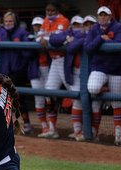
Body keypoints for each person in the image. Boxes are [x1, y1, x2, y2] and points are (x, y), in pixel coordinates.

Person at [84, 6, 121, 145]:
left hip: (117, 68)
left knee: (116, 102)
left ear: (110, 16)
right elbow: (87, 48)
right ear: (98, 16)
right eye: (100, 15)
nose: (103, 17)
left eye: (105, 15)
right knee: (93, 89)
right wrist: (101, 39)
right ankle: (94, 134)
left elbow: (118, 44)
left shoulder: (118, 26)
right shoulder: (94, 29)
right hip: (99, 66)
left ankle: (119, 135)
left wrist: (102, 42)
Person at [49, 15, 89, 141]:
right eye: (75, 24)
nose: (78, 27)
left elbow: (73, 46)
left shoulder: (87, 33)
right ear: (71, 25)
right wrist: (67, 38)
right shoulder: (68, 32)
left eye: (80, 24)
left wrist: (75, 39)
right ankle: (55, 129)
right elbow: (53, 38)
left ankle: (84, 131)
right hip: (71, 70)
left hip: (85, 70)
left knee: (82, 98)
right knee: (50, 93)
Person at [38, 0, 70, 139]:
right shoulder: (45, 21)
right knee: (49, 92)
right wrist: (45, 37)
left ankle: (82, 129)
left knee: (75, 93)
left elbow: (58, 39)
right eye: (48, 11)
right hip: (54, 61)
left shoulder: (64, 21)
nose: (49, 13)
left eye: (52, 11)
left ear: (58, 11)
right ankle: (52, 129)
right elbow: (37, 37)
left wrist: (45, 38)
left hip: (65, 60)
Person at [2, 12, 33, 134]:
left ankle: (22, 124)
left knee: (10, 93)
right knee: (16, 96)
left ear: (15, 22)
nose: (8, 24)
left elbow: (28, 53)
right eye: (6, 21)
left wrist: (22, 66)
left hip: (20, 71)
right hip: (6, 70)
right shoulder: (2, 33)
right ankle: (10, 123)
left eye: (10, 21)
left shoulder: (22, 33)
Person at [25, 16, 50, 135]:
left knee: (50, 97)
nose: (38, 27)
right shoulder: (29, 38)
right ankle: (44, 126)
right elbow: (26, 55)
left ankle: (52, 126)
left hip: (49, 69)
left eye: (40, 25)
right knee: (39, 98)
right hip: (35, 70)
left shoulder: (50, 37)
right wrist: (35, 43)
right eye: (35, 25)